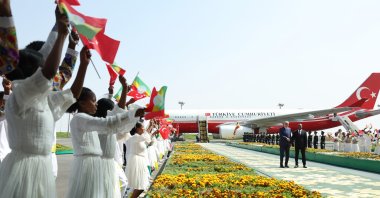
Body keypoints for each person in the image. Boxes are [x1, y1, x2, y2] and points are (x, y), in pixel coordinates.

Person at [0, 4, 85, 197]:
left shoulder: (48, 91)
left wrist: (69, 43)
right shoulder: (22, 90)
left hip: (46, 163)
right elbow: (48, 69)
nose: (50, 66)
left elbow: (63, 73)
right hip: (23, 168)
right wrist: (61, 33)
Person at [66, 87, 144, 198]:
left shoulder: (86, 119)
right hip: (88, 166)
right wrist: (132, 114)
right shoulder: (80, 118)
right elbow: (108, 123)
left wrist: (131, 114)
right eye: (93, 101)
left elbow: (112, 120)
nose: (96, 104)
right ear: (82, 103)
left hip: (94, 164)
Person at [126, 122, 158, 198]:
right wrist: (150, 126)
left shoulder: (139, 138)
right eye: (142, 127)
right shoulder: (135, 137)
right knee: (141, 185)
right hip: (137, 162)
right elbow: (146, 136)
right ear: (137, 129)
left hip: (140, 161)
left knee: (140, 185)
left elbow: (147, 139)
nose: (143, 129)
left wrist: (150, 127)